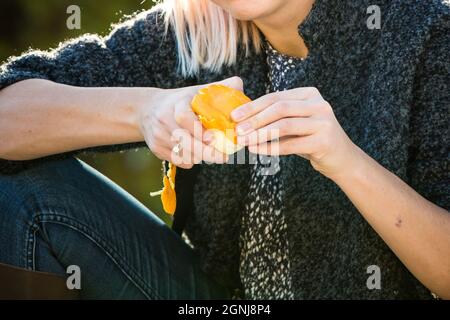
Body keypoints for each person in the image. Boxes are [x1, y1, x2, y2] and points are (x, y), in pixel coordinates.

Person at [0, 0, 449, 299]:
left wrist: (345, 161)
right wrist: (145, 109)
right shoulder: (191, 32)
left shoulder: (424, 33)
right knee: (24, 190)